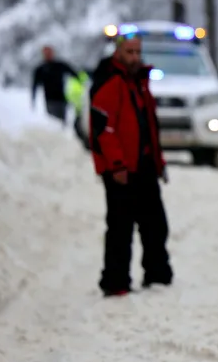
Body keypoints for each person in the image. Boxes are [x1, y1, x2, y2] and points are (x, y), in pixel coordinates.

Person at [88, 33, 173, 297]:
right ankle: (115, 282)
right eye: (129, 52)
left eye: (138, 52)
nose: (135, 57)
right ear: (118, 53)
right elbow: (104, 129)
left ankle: (157, 274)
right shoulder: (111, 82)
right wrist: (116, 165)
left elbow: (149, 125)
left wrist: (158, 162)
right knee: (120, 227)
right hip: (121, 170)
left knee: (155, 224)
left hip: (144, 164)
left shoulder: (139, 82)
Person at [31, 45, 79, 124]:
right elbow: (34, 85)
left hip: (61, 100)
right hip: (49, 101)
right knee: (53, 123)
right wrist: (33, 99)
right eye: (46, 53)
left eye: (49, 52)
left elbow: (74, 74)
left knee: (62, 122)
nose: (48, 54)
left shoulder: (60, 65)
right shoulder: (40, 69)